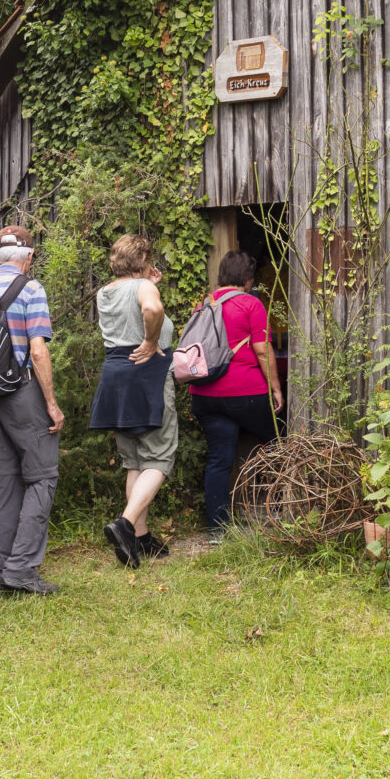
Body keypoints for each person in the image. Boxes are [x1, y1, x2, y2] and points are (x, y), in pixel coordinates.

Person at [0, 225, 61, 596]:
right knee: (42, 477)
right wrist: (52, 405)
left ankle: (0, 577)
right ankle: (21, 569)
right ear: (28, 256)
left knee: (4, 484)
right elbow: (38, 351)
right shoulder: (31, 289)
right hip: (23, 393)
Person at [90, 234, 174, 566]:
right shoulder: (143, 290)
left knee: (135, 460)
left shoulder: (105, 292)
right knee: (159, 457)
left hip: (115, 374)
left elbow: (134, 307)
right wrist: (152, 342)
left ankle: (138, 537)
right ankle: (125, 525)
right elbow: (151, 309)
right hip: (146, 374)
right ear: (143, 259)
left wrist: (148, 282)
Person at [190, 250, 282, 537]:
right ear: (247, 278)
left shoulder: (203, 306)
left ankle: (217, 530)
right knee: (279, 443)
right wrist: (276, 388)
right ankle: (281, 509)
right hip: (247, 392)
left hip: (205, 393)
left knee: (219, 458)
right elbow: (262, 350)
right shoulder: (251, 303)